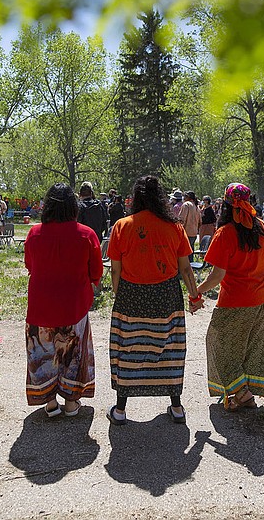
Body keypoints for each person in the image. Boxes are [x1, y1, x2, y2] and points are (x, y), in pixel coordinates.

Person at [107, 175, 200, 425]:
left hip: (131, 295)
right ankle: (177, 407)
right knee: (170, 347)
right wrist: (194, 296)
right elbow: (186, 269)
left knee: (128, 348)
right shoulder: (175, 227)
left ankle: (120, 410)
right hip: (167, 297)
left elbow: (115, 270)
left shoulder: (122, 225)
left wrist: (121, 295)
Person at [195, 183, 264, 411]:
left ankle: (241, 392)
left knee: (218, 345)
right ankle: (245, 393)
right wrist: (263, 280)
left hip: (234, 304)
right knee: (252, 348)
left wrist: (197, 291)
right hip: (261, 301)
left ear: (226, 204)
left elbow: (217, 275)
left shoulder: (225, 233)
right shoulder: (262, 227)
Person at [24, 183, 103, 417]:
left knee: (44, 354)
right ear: (73, 206)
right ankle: (71, 402)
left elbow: (30, 265)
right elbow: (96, 272)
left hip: (41, 306)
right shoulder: (86, 234)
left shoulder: (34, 233)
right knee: (74, 355)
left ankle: (50, 403)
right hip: (74, 306)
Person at [178, 190, 202, 259]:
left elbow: (182, 220)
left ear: (187, 197)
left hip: (186, 233)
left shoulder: (186, 205)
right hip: (194, 233)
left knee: (184, 255)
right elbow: (200, 222)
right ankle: (191, 268)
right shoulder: (196, 206)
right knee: (190, 252)